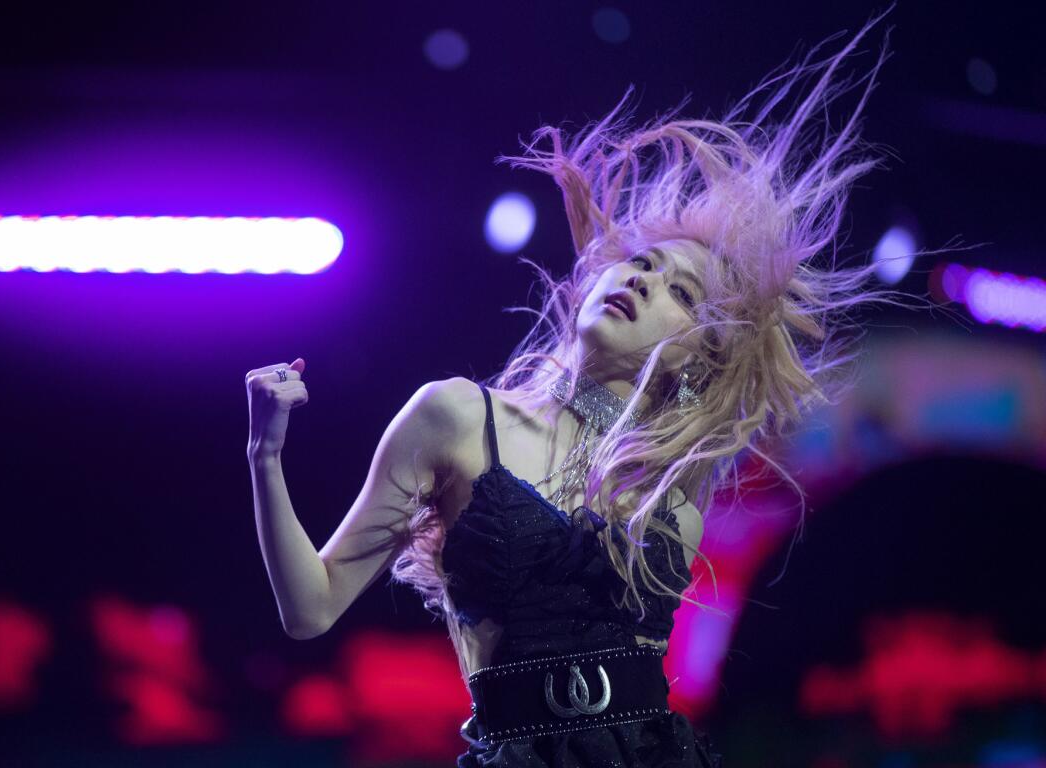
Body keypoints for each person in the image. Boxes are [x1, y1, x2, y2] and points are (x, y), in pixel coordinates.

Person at [248, 6, 924, 765]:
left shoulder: (673, 494)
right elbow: (310, 609)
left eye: (680, 292)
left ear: (693, 359)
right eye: (639, 262)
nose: (642, 279)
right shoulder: (455, 416)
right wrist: (265, 455)